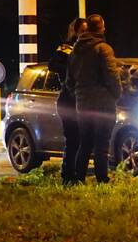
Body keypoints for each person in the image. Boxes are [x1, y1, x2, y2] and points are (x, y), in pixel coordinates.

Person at [68, 14, 121, 184]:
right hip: (103, 104)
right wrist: (116, 94)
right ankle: (102, 179)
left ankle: (79, 177)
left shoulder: (76, 51)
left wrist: (78, 94)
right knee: (102, 145)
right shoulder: (103, 49)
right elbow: (112, 76)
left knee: (85, 143)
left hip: (82, 104)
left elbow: (70, 80)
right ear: (101, 27)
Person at [48, 17, 87, 184]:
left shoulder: (87, 49)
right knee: (73, 140)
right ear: (75, 31)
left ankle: (76, 175)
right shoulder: (65, 49)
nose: (85, 34)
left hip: (81, 100)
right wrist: (71, 71)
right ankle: (68, 175)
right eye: (83, 31)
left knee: (81, 140)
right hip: (68, 100)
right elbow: (52, 65)